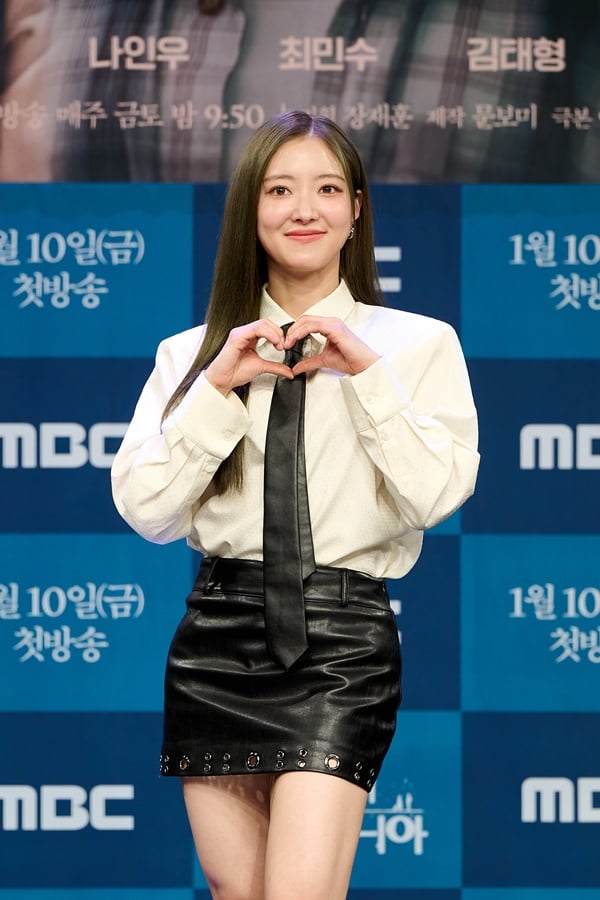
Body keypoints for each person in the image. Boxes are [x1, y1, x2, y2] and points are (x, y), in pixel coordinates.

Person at [111, 110, 479, 899]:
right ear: (250, 209)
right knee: (237, 892)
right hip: (217, 640)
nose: (303, 209)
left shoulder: (417, 345)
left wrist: (368, 377)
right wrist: (217, 386)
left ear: (356, 209)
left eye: (326, 190)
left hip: (341, 644)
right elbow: (148, 509)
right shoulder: (191, 354)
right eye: (279, 190)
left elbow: (436, 495)